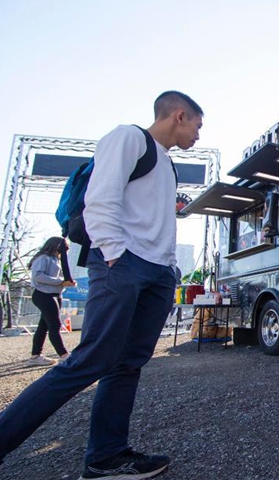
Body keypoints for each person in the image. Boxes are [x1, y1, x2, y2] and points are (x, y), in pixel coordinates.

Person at [0, 91, 203, 479]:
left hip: (157, 271)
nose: (198, 133)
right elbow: (101, 199)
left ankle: (106, 457)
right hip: (124, 265)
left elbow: (156, 220)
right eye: (197, 124)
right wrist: (114, 255)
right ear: (180, 115)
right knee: (88, 361)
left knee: (126, 365)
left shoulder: (167, 163)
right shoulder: (129, 138)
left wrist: (170, 268)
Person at [26, 236, 76, 366]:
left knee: (43, 326)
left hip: (55, 294)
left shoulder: (56, 260)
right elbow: (38, 276)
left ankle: (35, 356)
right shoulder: (43, 258)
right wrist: (60, 281)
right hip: (43, 294)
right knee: (55, 324)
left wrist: (66, 282)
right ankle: (64, 355)